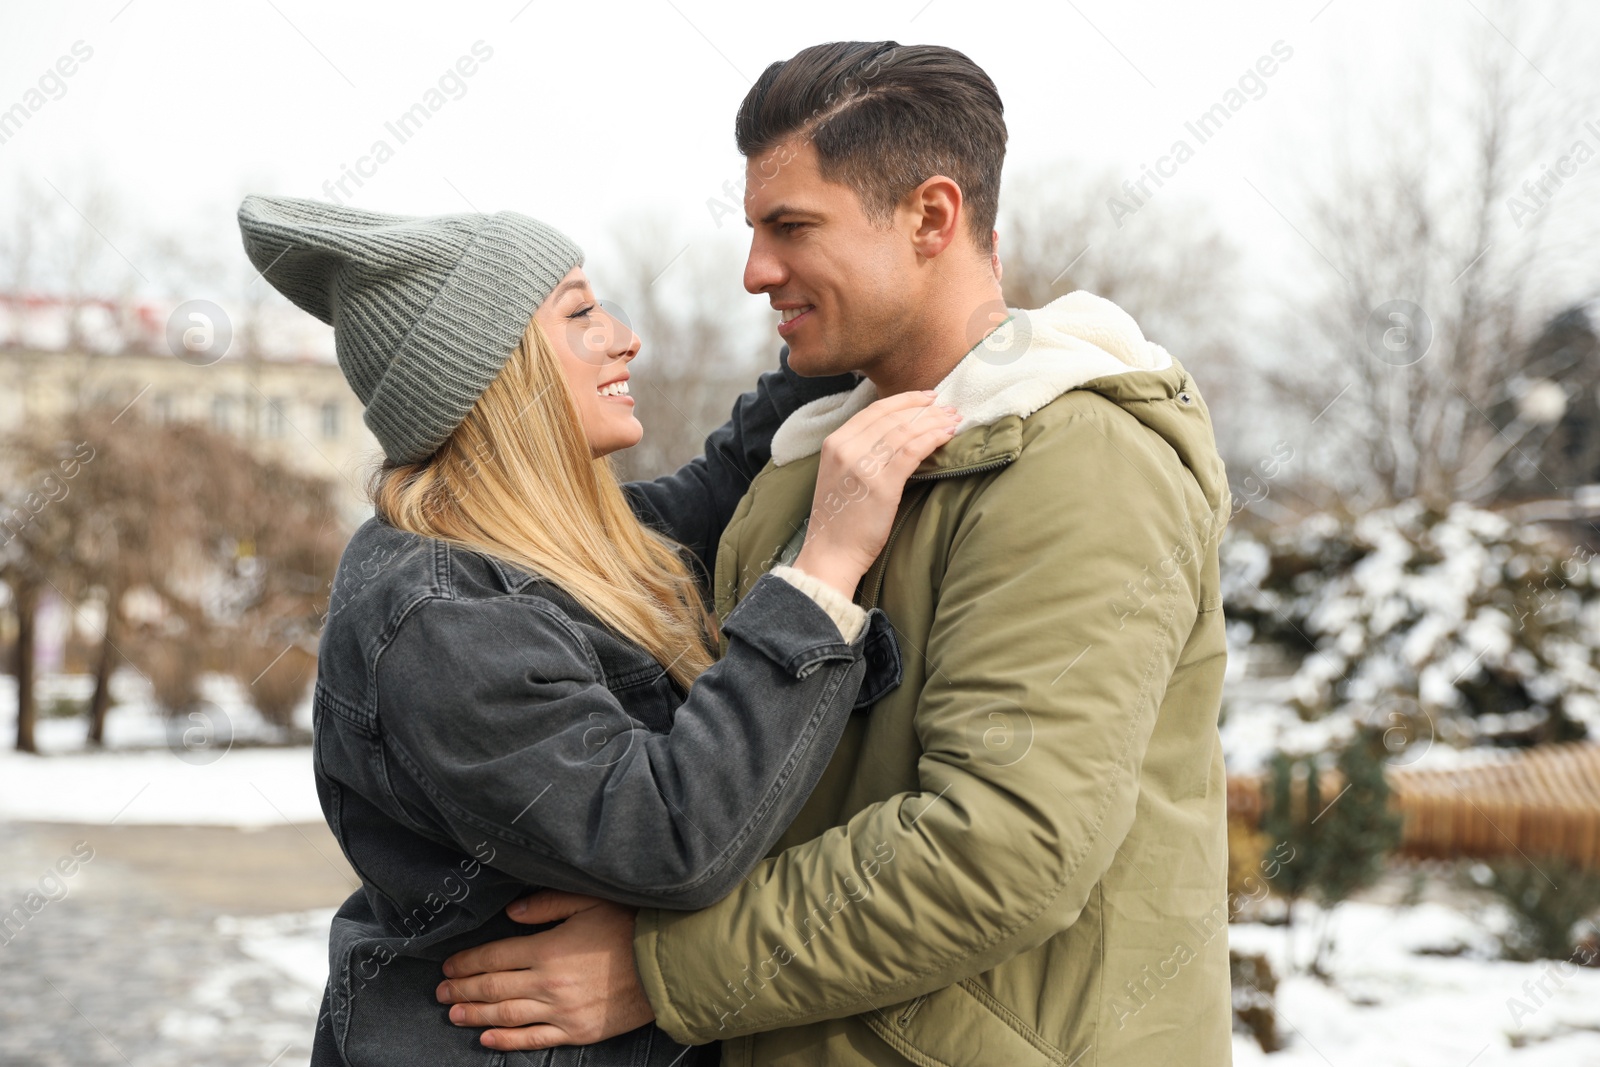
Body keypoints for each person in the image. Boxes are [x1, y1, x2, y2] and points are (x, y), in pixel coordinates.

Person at [436, 40, 1236, 1066]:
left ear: (932, 217)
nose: (755, 270)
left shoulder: (1078, 462)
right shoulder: (805, 468)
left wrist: (660, 967)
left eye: (792, 227)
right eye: (753, 228)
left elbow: (1004, 845)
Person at [235, 194, 962, 1066]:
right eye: (579, 314)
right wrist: (824, 572)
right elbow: (668, 836)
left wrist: (864, 299)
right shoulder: (440, 612)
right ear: (495, 373)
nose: (625, 336)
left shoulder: (552, 548)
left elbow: (726, 476)